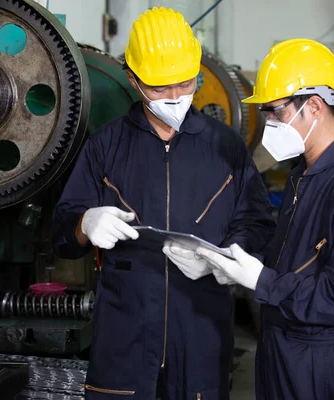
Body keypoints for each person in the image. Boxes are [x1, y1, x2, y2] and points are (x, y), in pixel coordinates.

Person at [52, 7, 275, 400]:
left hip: (201, 330)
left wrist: (233, 256)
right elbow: (61, 234)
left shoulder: (225, 147)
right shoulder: (106, 146)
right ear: (133, 79)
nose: (174, 97)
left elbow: (255, 220)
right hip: (125, 333)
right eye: (159, 87)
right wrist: (84, 222)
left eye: (185, 83)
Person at [187, 38, 334, 400]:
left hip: (321, 359)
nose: (269, 123)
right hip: (280, 346)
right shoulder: (305, 174)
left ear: (314, 105)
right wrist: (233, 264)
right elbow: (296, 258)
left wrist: (262, 281)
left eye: (276, 111)